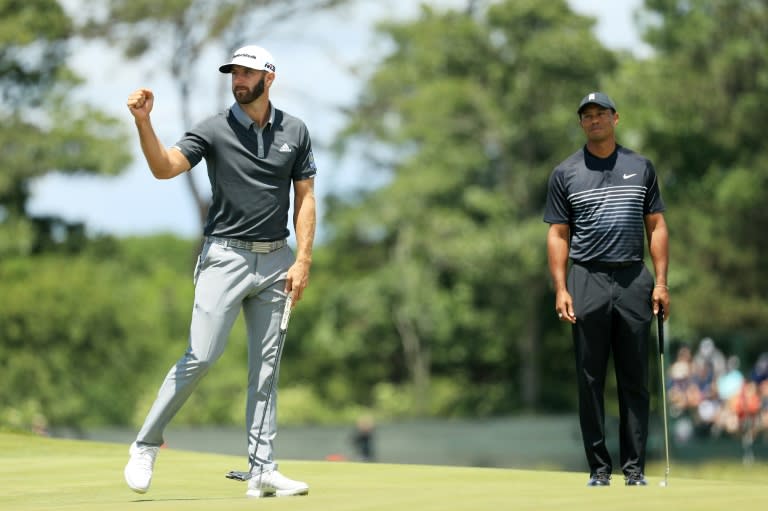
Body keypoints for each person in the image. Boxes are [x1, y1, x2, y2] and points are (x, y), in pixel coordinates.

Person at [123, 45, 316, 498]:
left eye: (247, 73)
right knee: (202, 355)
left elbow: (305, 197)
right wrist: (144, 122)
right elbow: (164, 167)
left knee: (266, 369)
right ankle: (145, 444)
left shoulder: (296, 131)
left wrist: (303, 259)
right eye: (234, 73)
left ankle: (263, 469)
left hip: (276, 261)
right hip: (224, 258)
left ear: (270, 77)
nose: (238, 80)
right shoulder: (213, 128)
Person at [543, 92, 669, 487]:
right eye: (587, 116)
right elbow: (558, 233)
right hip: (587, 278)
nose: (594, 120)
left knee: (635, 379)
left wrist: (661, 282)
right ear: (581, 123)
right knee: (590, 378)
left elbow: (657, 226)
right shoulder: (566, 173)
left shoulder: (640, 166)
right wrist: (561, 287)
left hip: (634, 277)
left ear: (616, 118)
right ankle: (599, 469)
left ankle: (634, 470)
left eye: (600, 114)